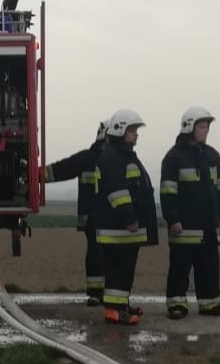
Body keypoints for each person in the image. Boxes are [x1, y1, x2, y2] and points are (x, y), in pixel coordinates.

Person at [158, 105, 220, 318]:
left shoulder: (212, 156)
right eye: (201, 127)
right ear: (189, 127)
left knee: (209, 266)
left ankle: (210, 304)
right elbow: (167, 191)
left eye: (207, 127)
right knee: (180, 267)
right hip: (184, 226)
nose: (206, 131)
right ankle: (177, 305)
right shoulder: (174, 157)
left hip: (208, 225)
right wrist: (173, 219)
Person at [93, 109, 158, 325]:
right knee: (118, 269)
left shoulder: (121, 155)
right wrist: (130, 217)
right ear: (120, 130)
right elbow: (117, 193)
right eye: (133, 130)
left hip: (124, 229)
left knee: (125, 269)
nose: (136, 134)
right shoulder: (112, 157)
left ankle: (121, 305)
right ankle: (113, 310)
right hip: (119, 228)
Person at [41, 121, 107, 304]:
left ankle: (97, 294)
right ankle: (99, 293)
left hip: (95, 218)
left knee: (97, 253)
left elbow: (61, 169)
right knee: (101, 253)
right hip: (101, 218)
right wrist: (35, 175)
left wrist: (35, 175)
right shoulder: (96, 159)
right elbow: (60, 170)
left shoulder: (87, 157)